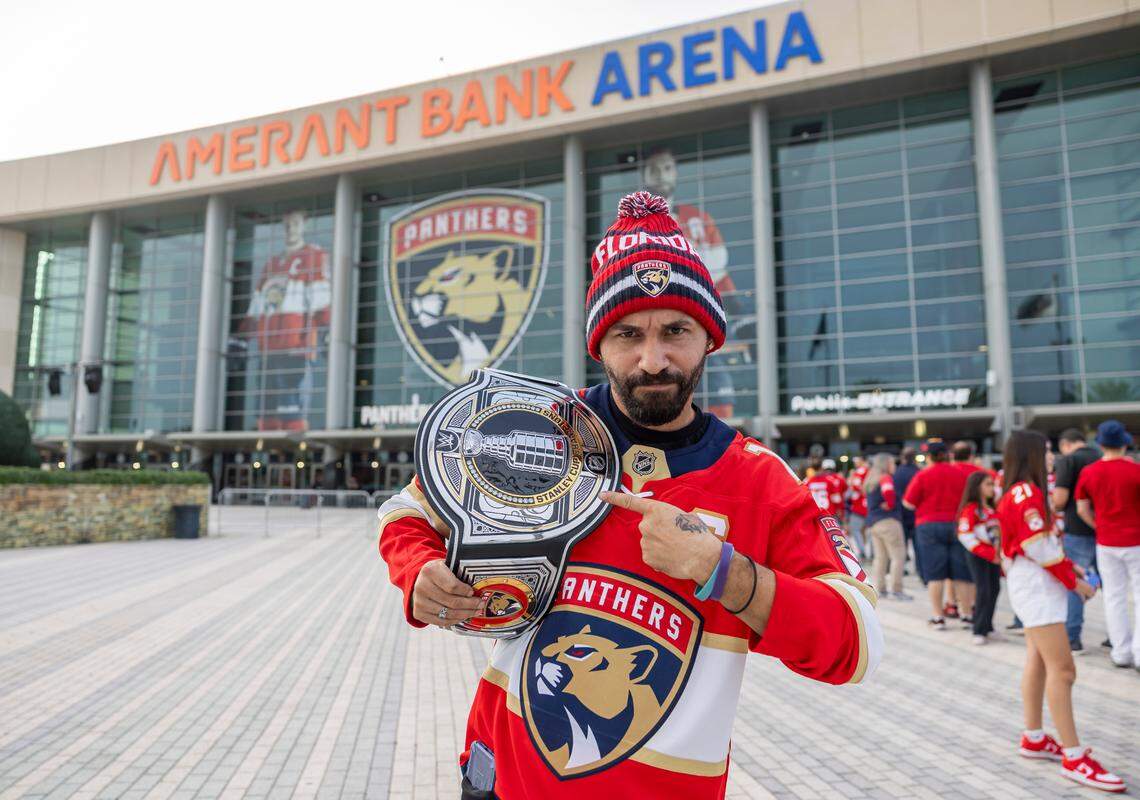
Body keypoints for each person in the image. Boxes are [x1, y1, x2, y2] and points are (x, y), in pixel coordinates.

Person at [377, 191, 883, 800]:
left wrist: (723, 572)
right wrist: (418, 571)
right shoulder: (538, 427)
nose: (653, 359)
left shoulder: (761, 481)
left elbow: (856, 646)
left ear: (709, 338)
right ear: (599, 343)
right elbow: (410, 511)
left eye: (676, 330)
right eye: (627, 334)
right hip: (502, 780)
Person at [996, 430, 1123, 793]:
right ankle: (1074, 755)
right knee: (1063, 670)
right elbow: (1037, 545)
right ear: (1032, 454)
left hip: (1033, 580)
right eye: (1047, 451)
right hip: (1037, 585)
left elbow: (1039, 543)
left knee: (1038, 660)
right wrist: (1074, 581)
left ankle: (1034, 737)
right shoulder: (1027, 493)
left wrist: (1071, 569)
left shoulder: (1018, 491)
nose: (1051, 456)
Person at [1075, 420, 1140, 671]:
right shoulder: (1135, 471)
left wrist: (1098, 525)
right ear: (1124, 443)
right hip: (1136, 540)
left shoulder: (1089, 472)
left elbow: (1082, 508)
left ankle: (1121, 652)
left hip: (1106, 541)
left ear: (1100, 444)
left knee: (1114, 596)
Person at [903, 440, 973, 629]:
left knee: (935, 575)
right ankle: (966, 614)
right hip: (957, 524)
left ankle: (938, 617)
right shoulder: (960, 474)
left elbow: (908, 503)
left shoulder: (923, 475)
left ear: (929, 457)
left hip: (929, 525)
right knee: (961, 573)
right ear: (947, 455)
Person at [1051, 428, 1101, 654]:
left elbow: (1060, 500)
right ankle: (1117, 638)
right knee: (1115, 589)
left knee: (1074, 583)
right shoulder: (1102, 456)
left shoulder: (1068, 461)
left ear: (1065, 444)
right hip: (1106, 532)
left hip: (1077, 529)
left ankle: (1072, 637)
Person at [957, 471, 1002, 645]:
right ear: (977, 487)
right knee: (983, 590)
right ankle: (978, 628)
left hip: (994, 556)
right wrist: (989, 554)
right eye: (988, 484)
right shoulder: (971, 509)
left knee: (995, 589)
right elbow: (965, 534)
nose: (993, 488)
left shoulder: (991, 508)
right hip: (978, 555)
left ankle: (988, 626)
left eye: (992, 484)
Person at [864, 453, 910, 601]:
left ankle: (881, 589)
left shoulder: (871, 480)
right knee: (898, 555)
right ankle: (897, 590)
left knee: (880, 557)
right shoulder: (885, 478)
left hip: (874, 523)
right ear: (885, 464)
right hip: (889, 522)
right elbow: (889, 493)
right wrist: (890, 504)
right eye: (892, 463)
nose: (895, 466)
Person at [892, 447, 921, 579]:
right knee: (919, 546)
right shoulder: (919, 472)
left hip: (901, 514)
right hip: (917, 514)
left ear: (902, 458)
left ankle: (902, 569)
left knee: (901, 545)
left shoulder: (896, 473)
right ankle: (921, 571)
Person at [805, 458, 846, 525]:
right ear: (821, 468)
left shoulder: (808, 481)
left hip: (814, 514)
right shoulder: (830, 481)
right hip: (828, 513)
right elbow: (837, 500)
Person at [846, 456, 869, 559]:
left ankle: (863, 552)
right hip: (868, 505)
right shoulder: (870, 471)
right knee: (868, 531)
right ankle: (871, 553)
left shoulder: (860, 471)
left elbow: (856, 486)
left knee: (855, 529)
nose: (855, 463)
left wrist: (851, 480)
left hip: (860, 506)